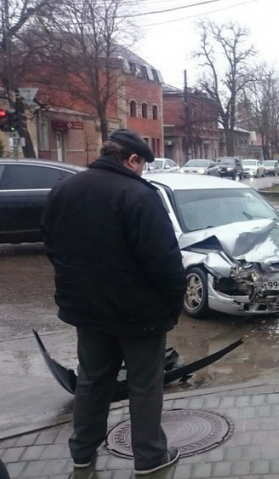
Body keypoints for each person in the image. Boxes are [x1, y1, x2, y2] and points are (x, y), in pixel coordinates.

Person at [41, 129, 185, 476]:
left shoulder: (64, 189)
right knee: (144, 385)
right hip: (139, 313)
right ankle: (150, 457)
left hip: (88, 311)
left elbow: (52, 244)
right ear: (132, 159)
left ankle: (82, 452)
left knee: (92, 380)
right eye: (142, 165)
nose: (143, 172)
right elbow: (163, 259)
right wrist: (173, 302)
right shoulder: (138, 195)